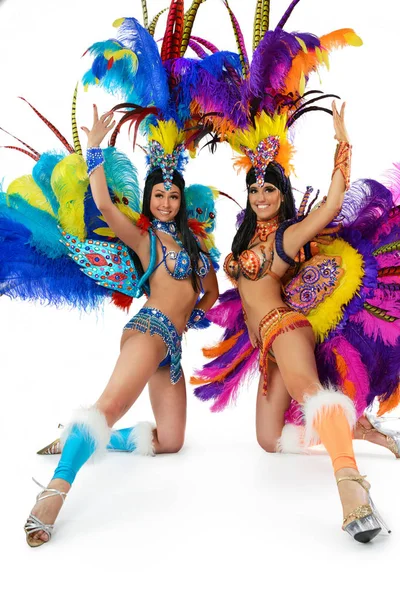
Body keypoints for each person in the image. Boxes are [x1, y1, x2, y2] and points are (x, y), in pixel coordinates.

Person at [23, 105, 219, 547]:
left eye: (172, 196)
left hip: (172, 346)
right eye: (158, 196)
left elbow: (210, 292)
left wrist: (194, 316)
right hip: (149, 331)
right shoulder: (145, 239)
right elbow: (106, 205)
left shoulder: (200, 250)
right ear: (149, 200)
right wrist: (95, 152)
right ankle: (55, 491)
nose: (166, 203)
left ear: (181, 199)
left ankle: (82, 438)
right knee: (109, 405)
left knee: (170, 441)